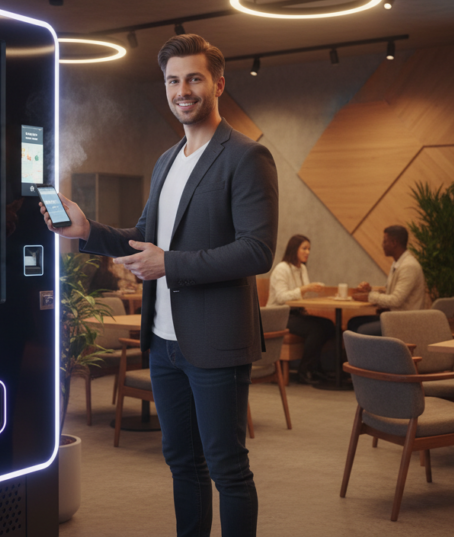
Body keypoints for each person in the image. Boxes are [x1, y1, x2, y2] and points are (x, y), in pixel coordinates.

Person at [40, 34, 278, 536]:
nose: (182, 90)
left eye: (194, 78)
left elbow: (257, 250)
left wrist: (170, 264)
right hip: (165, 343)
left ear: (218, 83)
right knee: (182, 464)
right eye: (173, 80)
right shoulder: (167, 161)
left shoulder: (247, 157)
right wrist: (86, 230)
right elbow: (144, 237)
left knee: (227, 469)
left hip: (216, 343)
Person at [267, 235, 335, 384]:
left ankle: (316, 369)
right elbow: (281, 298)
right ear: (294, 249)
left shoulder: (302, 268)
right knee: (315, 330)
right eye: (304, 248)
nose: (307, 252)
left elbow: (301, 296)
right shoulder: (281, 268)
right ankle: (305, 371)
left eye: (309, 249)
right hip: (279, 314)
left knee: (329, 326)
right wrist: (304, 288)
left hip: (296, 313)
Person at [348, 225, 427, 335]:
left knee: (361, 331)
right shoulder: (397, 263)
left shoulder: (409, 266)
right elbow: (391, 292)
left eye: (385, 241)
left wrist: (369, 296)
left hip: (405, 322)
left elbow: (396, 300)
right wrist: (370, 290)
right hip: (393, 316)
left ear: (394, 243)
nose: (382, 245)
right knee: (353, 323)